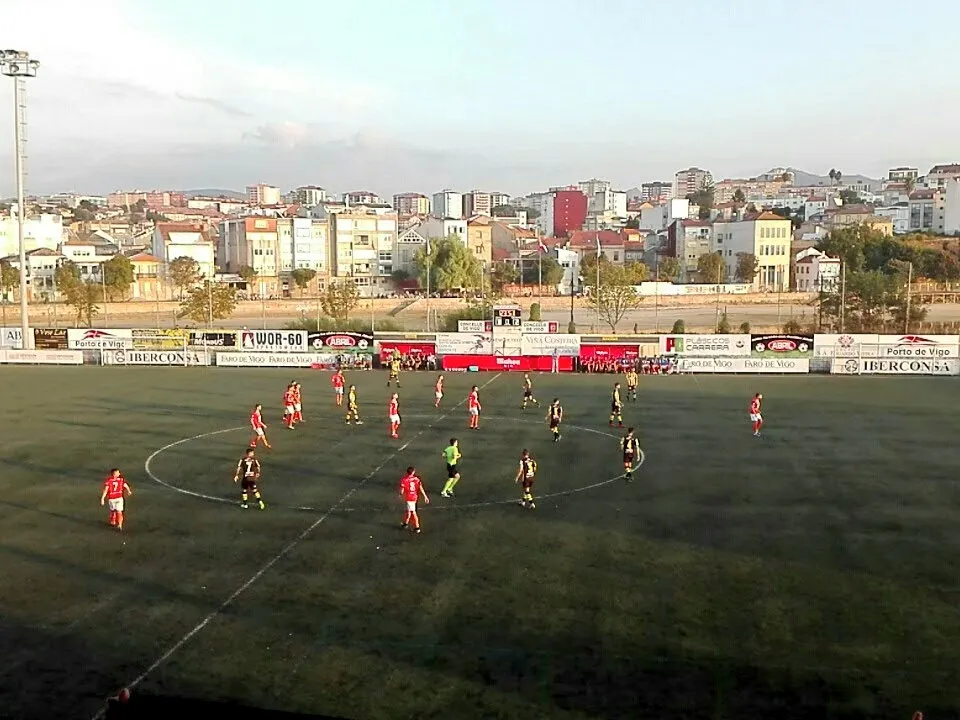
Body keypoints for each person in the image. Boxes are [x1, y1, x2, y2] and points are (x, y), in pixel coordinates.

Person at [399, 466, 429, 533]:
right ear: (413, 472)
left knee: (413, 512)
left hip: (409, 498)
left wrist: (400, 494)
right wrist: (425, 496)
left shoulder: (404, 480)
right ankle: (405, 523)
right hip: (414, 497)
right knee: (409, 511)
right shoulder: (416, 479)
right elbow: (420, 488)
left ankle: (417, 527)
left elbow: (401, 491)